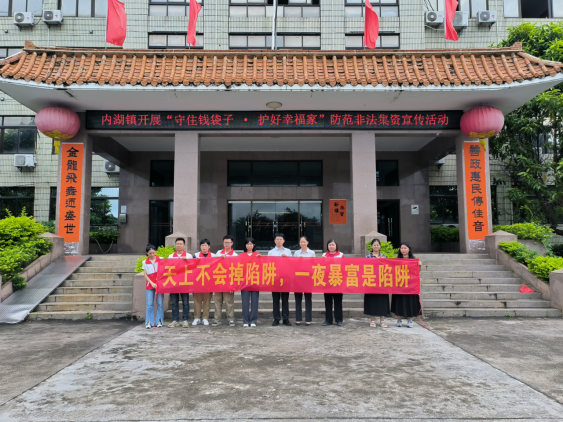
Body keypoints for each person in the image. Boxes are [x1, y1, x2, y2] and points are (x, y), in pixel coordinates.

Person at [391, 242, 422, 328]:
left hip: (411, 285)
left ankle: (410, 320)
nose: (403, 250)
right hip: (399, 285)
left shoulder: (414, 259)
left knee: (410, 302)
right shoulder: (397, 259)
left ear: (409, 249)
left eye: (405, 248)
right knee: (399, 302)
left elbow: (417, 272)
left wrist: (419, 265)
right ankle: (399, 319)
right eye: (402, 248)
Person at [213, 235, 238, 327]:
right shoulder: (218, 253)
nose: (226, 244)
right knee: (217, 302)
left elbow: (236, 270)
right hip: (218, 281)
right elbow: (213, 265)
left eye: (228, 242)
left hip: (229, 282)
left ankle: (231, 319)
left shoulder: (235, 255)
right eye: (225, 242)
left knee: (229, 302)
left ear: (232, 243)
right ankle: (217, 319)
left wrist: (233, 284)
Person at [364, 238, 389, 328]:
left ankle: (382, 321)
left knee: (382, 301)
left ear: (380, 246)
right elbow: (365, 267)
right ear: (371, 246)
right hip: (371, 282)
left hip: (382, 282)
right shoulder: (368, 256)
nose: (376, 246)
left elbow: (388, 268)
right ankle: (372, 320)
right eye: (374, 245)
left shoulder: (384, 256)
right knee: (372, 301)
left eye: (377, 245)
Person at [268, 233, 292, 326]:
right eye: (277, 239)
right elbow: (268, 264)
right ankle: (276, 319)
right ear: (274, 241)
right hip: (275, 278)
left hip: (285, 278)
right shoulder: (271, 252)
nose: (279, 241)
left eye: (280, 239)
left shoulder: (288, 251)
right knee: (275, 299)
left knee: (285, 299)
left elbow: (292, 264)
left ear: (284, 241)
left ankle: (286, 318)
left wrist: (286, 259)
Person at [167, 238, 192, 328]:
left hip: (185, 283)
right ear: (175, 245)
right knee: (174, 303)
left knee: (185, 302)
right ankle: (175, 320)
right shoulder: (170, 256)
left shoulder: (189, 256)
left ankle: (185, 320)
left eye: (181, 244)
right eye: (177, 244)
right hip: (173, 283)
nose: (179, 245)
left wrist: (187, 261)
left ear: (184, 246)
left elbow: (193, 267)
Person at [293, 236, 315, 326]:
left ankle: (308, 319)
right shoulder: (296, 253)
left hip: (308, 279)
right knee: (298, 299)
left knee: (308, 299)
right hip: (298, 278)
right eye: (301, 242)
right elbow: (293, 265)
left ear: (307, 243)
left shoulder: (312, 253)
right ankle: (298, 319)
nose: (302, 243)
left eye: (304, 242)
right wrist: (298, 261)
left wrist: (311, 261)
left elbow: (315, 265)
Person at [322, 239, 344, 326]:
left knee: (338, 301)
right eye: (329, 245)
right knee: (328, 302)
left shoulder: (341, 255)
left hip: (337, 281)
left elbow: (344, 267)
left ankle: (339, 319)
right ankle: (328, 320)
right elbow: (320, 268)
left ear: (336, 245)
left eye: (333, 245)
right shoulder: (324, 255)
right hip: (327, 282)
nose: (331, 246)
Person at [192, 239, 214, 326]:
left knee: (207, 301)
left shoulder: (214, 256)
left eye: (205, 245)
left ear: (209, 247)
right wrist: (195, 261)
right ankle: (196, 318)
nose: (204, 247)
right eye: (202, 245)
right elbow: (191, 268)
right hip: (197, 282)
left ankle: (205, 318)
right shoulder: (196, 255)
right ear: (200, 246)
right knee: (197, 301)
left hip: (208, 282)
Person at [241, 237, 261, 327]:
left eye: (251, 244)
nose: (249, 246)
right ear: (245, 245)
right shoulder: (241, 256)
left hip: (255, 281)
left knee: (254, 302)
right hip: (244, 282)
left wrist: (260, 259)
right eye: (247, 244)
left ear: (253, 245)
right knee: (245, 302)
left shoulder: (257, 255)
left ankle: (253, 320)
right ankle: (245, 321)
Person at [143, 244, 163, 329]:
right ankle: (149, 322)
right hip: (150, 285)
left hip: (160, 285)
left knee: (160, 303)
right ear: (147, 253)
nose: (152, 255)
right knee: (149, 304)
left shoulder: (161, 259)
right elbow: (145, 275)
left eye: (153, 253)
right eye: (150, 253)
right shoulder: (145, 262)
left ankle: (159, 321)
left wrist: (158, 282)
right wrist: (151, 283)